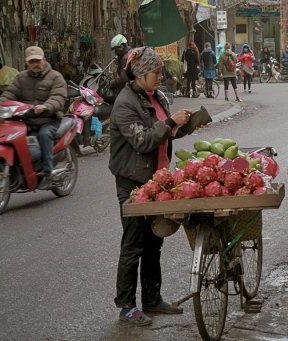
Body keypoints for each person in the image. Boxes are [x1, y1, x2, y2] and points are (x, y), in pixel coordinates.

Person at [109, 47, 193, 326]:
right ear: (141, 74)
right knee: (133, 244)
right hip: (133, 183)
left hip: (157, 180)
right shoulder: (125, 103)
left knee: (154, 242)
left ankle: (152, 299)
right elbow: (143, 141)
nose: (161, 77)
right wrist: (170, 123)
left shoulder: (154, 96)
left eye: (160, 72)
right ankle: (126, 305)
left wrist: (184, 125)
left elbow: (163, 132)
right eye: (157, 73)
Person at [0, 46, 67, 190]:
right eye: (32, 61)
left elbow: (58, 97)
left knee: (45, 135)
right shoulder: (21, 78)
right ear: (27, 63)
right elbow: (9, 94)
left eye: (37, 61)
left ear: (44, 60)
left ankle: (48, 172)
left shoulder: (55, 77)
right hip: (26, 121)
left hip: (49, 120)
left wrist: (46, 106)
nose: (35, 64)